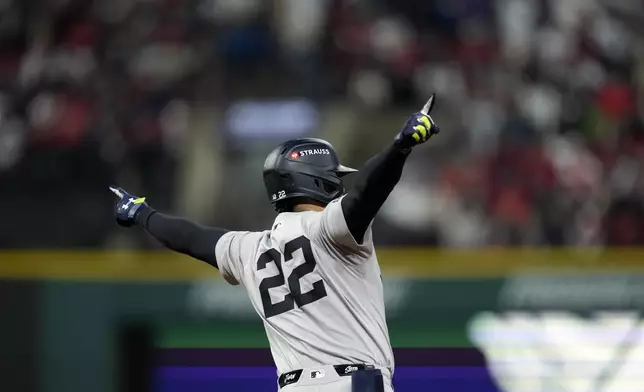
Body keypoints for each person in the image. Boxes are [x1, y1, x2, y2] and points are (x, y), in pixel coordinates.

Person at [110, 95, 440, 392]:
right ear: (319, 180)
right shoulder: (328, 228)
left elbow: (190, 237)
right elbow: (366, 194)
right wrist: (401, 147)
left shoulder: (249, 249)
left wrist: (142, 213)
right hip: (356, 382)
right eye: (334, 177)